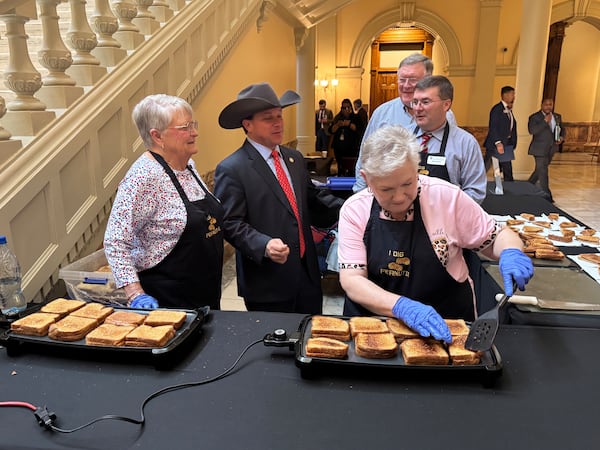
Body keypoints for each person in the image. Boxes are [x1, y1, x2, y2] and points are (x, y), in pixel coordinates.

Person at [338, 125, 533, 342]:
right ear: (367, 179)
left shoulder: (446, 198)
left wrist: (511, 251)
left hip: (447, 323)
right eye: (386, 189)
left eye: (407, 183)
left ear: (416, 169)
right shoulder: (354, 210)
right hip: (375, 327)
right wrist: (401, 307)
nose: (400, 197)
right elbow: (352, 280)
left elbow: (497, 236)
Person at [214, 82, 344, 314]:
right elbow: (230, 223)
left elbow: (312, 200)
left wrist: (352, 209)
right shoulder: (232, 168)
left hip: (307, 276)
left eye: (279, 115)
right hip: (268, 280)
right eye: (268, 118)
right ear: (248, 125)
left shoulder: (293, 158)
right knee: (274, 348)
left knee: (309, 340)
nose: (278, 123)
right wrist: (262, 244)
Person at [104, 94, 224, 310]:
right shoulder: (143, 177)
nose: (194, 132)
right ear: (157, 136)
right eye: (185, 127)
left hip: (203, 293)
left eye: (193, 124)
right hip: (167, 301)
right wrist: (135, 293)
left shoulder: (189, 167)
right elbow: (116, 241)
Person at [353, 53, 456, 192]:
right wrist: (360, 194)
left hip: (436, 203)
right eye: (402, 80)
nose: (406, 86)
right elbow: (364, 159)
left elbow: (455, 162)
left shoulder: (446, 116)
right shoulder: (382, 114)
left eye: (413, 80)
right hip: (388, 201)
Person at [411, 75, 486, 204]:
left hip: (446, 221)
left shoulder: (465, 143)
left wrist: (445, 212)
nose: (418, 108)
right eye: (415, 102)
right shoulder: (399, 138)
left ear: (446, 104)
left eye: (425, 102)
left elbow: (475, 192)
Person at [527, 98, 564, 202]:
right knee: (543, 171)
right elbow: (532, 130)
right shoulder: (534, 117)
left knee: (539, 170)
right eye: (546, 104)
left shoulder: (557, 116)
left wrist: (561, 138)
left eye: (550, 104)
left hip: (551, 148)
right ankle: (547, 196)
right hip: (539, 149)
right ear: (542, 105)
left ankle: (527, 185)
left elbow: (562, 129)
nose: (548, 106)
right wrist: (544, 122)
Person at [484, 86, 517, 181]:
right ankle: (474, 183)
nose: (514, 96)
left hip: (506, 144)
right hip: (496, 144)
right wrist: (498, 142)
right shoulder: (497, 109)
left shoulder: (509, 110)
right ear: (505, 95)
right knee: (488, 166)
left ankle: (508, 188)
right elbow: (493, 127)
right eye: (512, 94)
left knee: (507, 169)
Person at [329, 98, 361, 176]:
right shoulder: (338, 117)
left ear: (351, 108)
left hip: (351, 148)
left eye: (348, 108)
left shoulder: (355, 117)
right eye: (344, 108)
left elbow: (359, 129)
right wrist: (338, 125)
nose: (346, 110)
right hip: (339, 148)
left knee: (351, 168)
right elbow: (331, 130)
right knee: (340, 167)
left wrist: (349, 124)